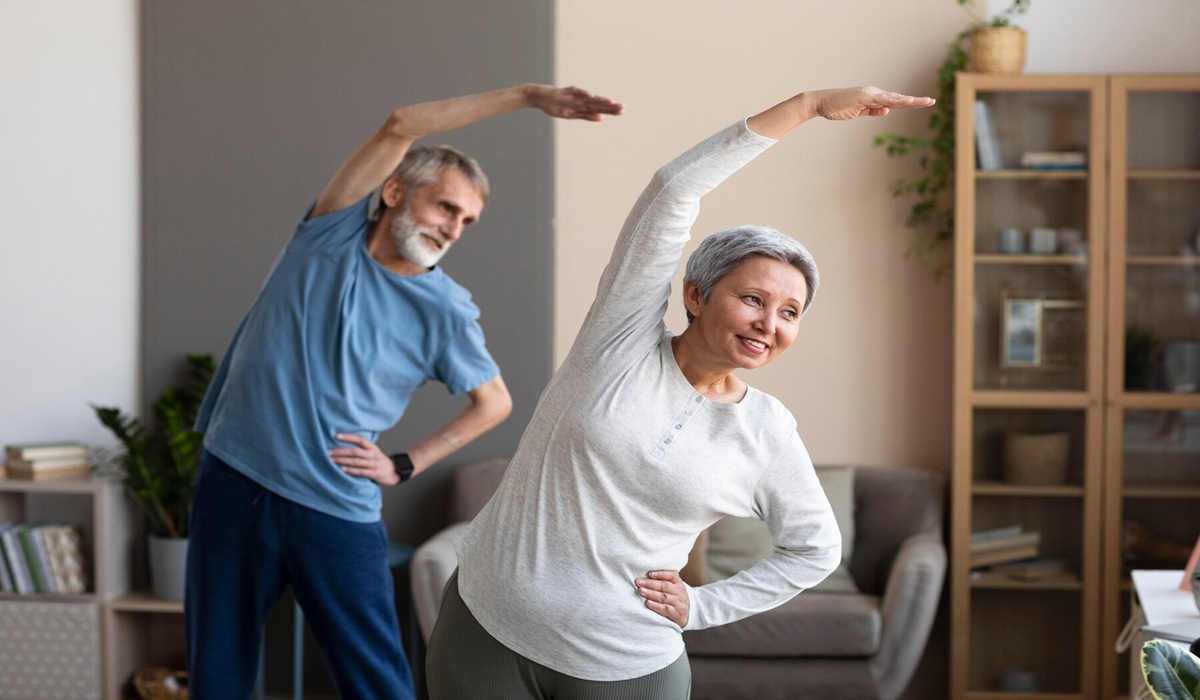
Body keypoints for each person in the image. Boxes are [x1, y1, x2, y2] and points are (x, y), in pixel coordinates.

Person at [426, 85, 935, 699]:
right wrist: (804, 107)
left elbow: (816, 549)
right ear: (695, 294)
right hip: (482, 630)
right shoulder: (618, 343)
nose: (768, 324)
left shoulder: (766, 430)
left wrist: (703, 606)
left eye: (790, 312)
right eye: (752, 299)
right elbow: (674, 188)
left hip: (627, 666)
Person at [185, 83, 624, 700]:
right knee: (217, 675)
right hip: (235, 481)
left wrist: (404, 462)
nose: (454, 228)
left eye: (467, 221)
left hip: (333, 505)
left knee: (376, 684)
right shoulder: (327, 236)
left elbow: (494, 401)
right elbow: (400, 124)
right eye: (446, 208)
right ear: (394, 191)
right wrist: (528, 97)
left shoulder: (447, 311)